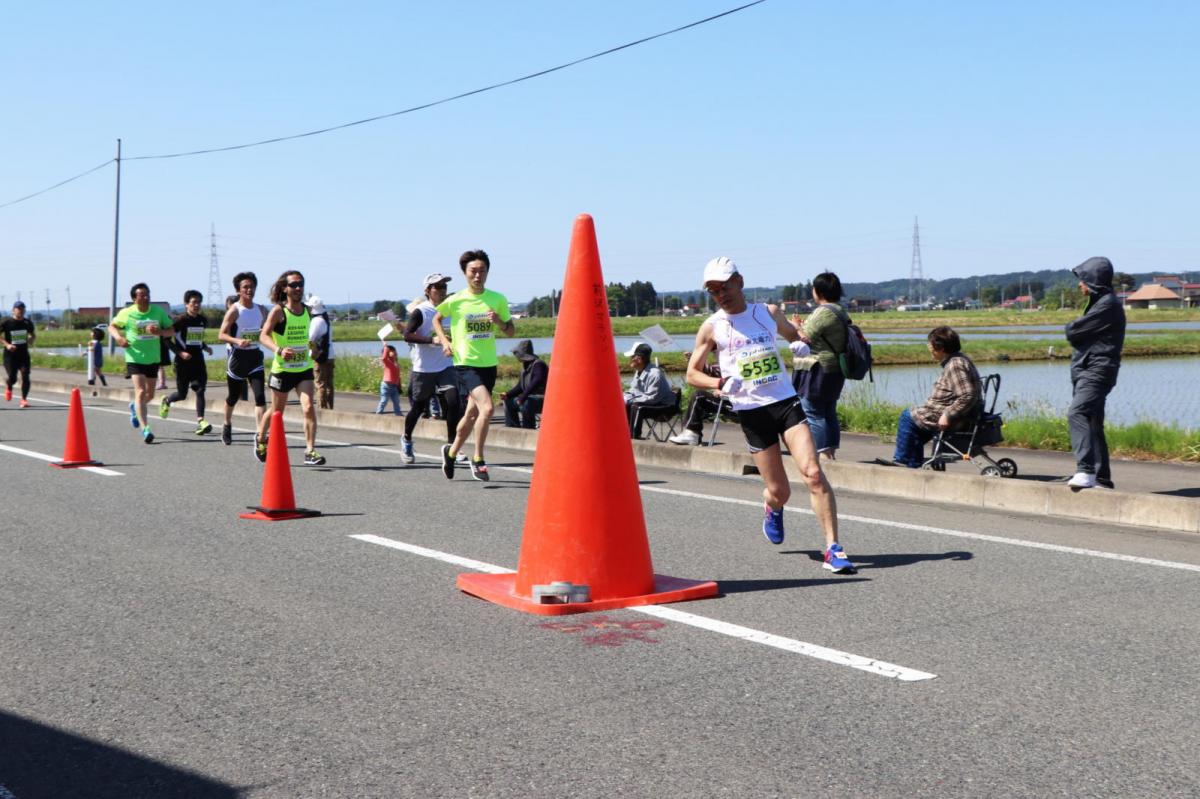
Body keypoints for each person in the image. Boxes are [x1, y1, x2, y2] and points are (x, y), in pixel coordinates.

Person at [685, 256, 855, 574]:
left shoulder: (767, 313)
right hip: (752, 412)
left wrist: (800, 346)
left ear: (740, 281)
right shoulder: (712, 327)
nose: (721, 293)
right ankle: (772, 505)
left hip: (786, 402)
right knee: (781, 491)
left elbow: (795, 337)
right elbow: (692, 374)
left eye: (725, 285)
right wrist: (719, 382)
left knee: (813, 474)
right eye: (713, 290)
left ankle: (833, 549)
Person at [432, 250, 514, 481]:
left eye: (482, 271)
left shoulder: (497, 299)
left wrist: (498, 321)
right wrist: (446, 341)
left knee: (471, 415)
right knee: (487, 409)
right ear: (465, 273)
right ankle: (478, 459)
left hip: (489, 364)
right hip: (465, 363)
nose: (478, 276)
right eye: (473, 271)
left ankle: (451, 452)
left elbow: (511, 331)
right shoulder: (457, 300)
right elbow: (436, 318)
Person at [1065, 256, 1125, 490]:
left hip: (1097, 370)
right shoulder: (1099, 302)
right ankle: (1101, 478)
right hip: (1088, 368)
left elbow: (1074, 331)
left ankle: (1086, 470)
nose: (1080, 284)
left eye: (1082, 279)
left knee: (1077, 413)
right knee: (1091, 421)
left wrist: (1072, 327)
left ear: (1093, 280)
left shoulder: (1107, 305)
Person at [883, 326, 981, 468]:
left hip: (951, 416)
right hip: (950, 413)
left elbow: (967, 395)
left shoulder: (955, 365)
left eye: (931, 345)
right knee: (916, 423)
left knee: (908, 417)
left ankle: (903, 461)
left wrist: (947, 415)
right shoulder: (959, 359)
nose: (929, 348)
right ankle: (913, 463)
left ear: (940, 348)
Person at [258, 270, 326, 466]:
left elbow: (306, 338)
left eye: (301, 284)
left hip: (303, 368)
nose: (298, 288)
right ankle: (261, 438)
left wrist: (314, 348)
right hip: (283, 370)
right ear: (285, 288)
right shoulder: (279, 311)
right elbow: (263, 336)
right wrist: (279, 350)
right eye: (294, 285)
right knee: (277, 411)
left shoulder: (307, 310)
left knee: (308, 407)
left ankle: (310, 451)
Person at [401, 273, 461, 465]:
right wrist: (431, 340)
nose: (442, 290)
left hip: (445, 365)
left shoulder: (449, 309)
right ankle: (407, 439)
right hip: (424, 368)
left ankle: (453, 447)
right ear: (427, 291)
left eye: (444, 286)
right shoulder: (421, 312)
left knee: (453, 403)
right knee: (419, 407)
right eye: (438, 287)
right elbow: (407, 335)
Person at [790, 272, 848, 460]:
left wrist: (795, 325)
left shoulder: (823, 311)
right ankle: (829, 452)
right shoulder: (839, 310)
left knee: (813, 412)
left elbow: (804, 337)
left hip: (818, 368)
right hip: (834, 368)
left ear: (818, 291)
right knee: (828, 411)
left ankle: (822, 453)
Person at [108, 283, 176, 444]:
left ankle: (134, 408)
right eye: (142, 295)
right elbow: (112, 326)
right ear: (134, 298)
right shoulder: (127, 313)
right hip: (134, 357)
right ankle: (146, 429)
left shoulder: (158, 312)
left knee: (150, 395)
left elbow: (172, 330)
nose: (145, 298)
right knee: (140, 392)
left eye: (147, 294)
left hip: (152, 357)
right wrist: (119, 338)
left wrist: (159, 332)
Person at [218, 273, 269, 447]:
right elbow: (221, 334)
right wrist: (237, 340)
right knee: (233, 397)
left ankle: (260, 435)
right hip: (237, 358)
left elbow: (270, 329)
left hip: (255, 357)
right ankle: (227, 424)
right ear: (238, 290)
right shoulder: (235, 310)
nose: (249, 290)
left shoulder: (261, 309)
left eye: (251, 286)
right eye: (245, 287)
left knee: (260, 397)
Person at [159, 290, 214, 435]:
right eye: (193, 302)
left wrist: (205, 347)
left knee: (200, 389)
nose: (196, 305)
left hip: (198, 361)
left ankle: (201, 421)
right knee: (182, 395)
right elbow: (166, 339)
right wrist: (180, 353)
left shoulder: (202, 320)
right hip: (182, 363)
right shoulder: (180, 321)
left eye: (198, 302)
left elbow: (196, 338)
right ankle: (167, 401)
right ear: (186, 304)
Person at [668, 352, 727, 445]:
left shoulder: (741, 364)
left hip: (737, 403)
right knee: (699, 396)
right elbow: (709, 369)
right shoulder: (723, 365)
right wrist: (693, 359)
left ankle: (692, 434)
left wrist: (727, 392)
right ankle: (692, 434)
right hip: (723, 400)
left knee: (699, 396)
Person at [623, 343, 673, 439]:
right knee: (625, 404)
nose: (629, 360)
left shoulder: (655, 374)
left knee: (636, 406)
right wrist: (623, 397)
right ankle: (624, 434)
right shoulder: (639, 370)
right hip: (651, 403)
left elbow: (652, 398)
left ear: (639, 359)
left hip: (664, 407)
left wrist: (630, 400)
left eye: (631, 357)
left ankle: (634, 437)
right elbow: (633, 391)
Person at [501, 339, 548, 429]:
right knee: (508, 401)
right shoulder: (524, 366)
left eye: (517, 353)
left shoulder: (538, 365)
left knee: (526, 402)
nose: (516, 356)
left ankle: (528, 428)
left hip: (541, 399)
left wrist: (523, 396)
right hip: (528, 397)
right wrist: (507, 394)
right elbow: (520, 386)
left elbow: (537, 381)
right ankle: (513, 427)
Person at [2, 300, 36, 408]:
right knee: (13, 378)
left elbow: (32, 334)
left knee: (26, 376)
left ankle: (24, 400)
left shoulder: (27, 323)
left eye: (23, 309)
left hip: (23, 354)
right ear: (13, 310)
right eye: (18, 309)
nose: (21, 311)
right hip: (10, 355)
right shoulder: (7, 323)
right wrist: (7, 344)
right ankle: (9, 387)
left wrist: (31, 339)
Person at [308, 295, 336, 410]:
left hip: (320, 357)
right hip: (330, 355)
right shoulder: (326, 320)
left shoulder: (316, 321)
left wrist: (312, 353)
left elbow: (310, 339)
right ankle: (330, 408)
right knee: (329, 384)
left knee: (320, 384)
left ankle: (322, 409)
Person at [376, 344, 402, 415]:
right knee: (384, 401)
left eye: (394, 351)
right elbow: (384, 358)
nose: (395, 352)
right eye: (392, 351)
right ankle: (379, 413)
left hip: (394, 386)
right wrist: (385, 348)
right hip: (386, 386)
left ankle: (398, 414)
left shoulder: (396, 363)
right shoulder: (388, 362)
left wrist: (399, 386)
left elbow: (398, 376)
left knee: (396, 401)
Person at [86, 325, 108, 395]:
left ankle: (92, 383)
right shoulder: (93, 342)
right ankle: (103, 384)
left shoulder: (97, 343)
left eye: (92, 332)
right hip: (93, 360)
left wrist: (88, 349)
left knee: (95, 372)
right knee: (97, 372)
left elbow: (92, 350)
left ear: (95, 334)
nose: (90, 333)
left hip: (96, 361)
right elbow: (89, 349)